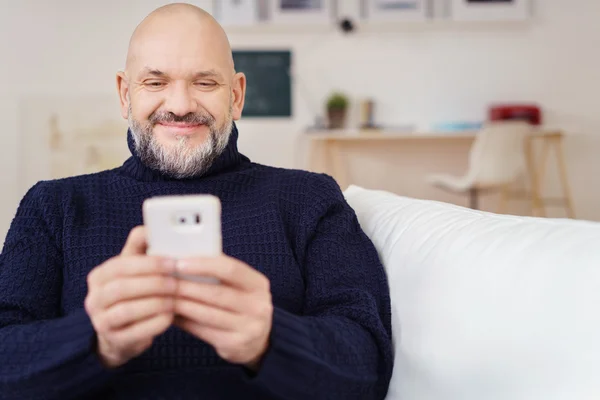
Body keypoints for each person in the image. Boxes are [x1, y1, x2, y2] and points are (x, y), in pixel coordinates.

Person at [0, 3, 393, 399]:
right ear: (124, 94)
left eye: (204, 83)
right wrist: (91, 339)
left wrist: (270, 338)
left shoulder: (310, 200)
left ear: (236, 96)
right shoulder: (53, 207)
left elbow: (367, 366)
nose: (181, 104)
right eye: (155, 82)